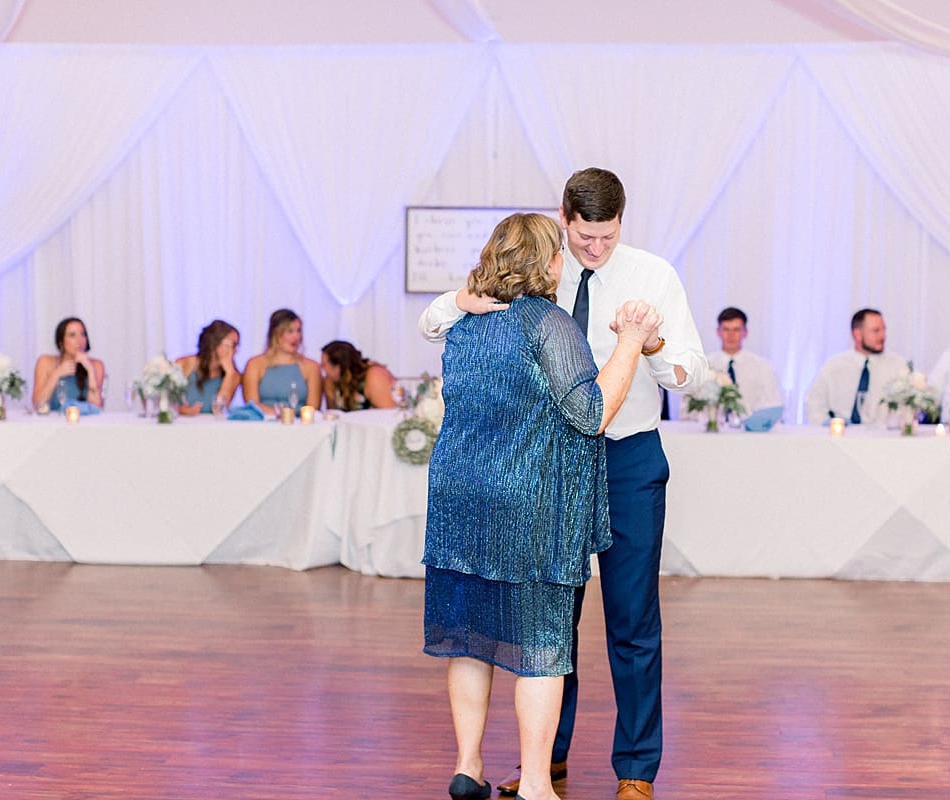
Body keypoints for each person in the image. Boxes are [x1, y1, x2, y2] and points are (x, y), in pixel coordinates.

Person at [420, 168, 708, 800]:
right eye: (584, 236)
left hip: (625, 458)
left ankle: (636, 770)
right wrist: (457, 303)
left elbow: (692, 371)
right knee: (551, 621)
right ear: (564, 219)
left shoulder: (653, 274)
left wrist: (651, 343)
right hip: (546, 467)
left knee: (632, 621)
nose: (595, 249)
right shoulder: (535, 266)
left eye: (607, 236)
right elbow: (438, 318)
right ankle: (541, 763)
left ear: (621, 224)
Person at [804, 309, 908, 425]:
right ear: (857, 334)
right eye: (876, 331)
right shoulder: (834, 366)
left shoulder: (898, 365)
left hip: (883, 438)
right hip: (840, 439)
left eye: (884, 329)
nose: (882, 336)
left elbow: (907, 408)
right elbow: (815, 404)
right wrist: (828, 427)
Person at [701, 306, 782, 414]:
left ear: (745, 332)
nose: (731, 335)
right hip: (712, 428)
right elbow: (689, 407)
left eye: (736, 330)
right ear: (718, 332)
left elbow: (773, 404)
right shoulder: (704, 365)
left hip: (751, 428)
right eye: (726, 329)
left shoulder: (762, 367)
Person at [241, 309, 321, 415]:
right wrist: (280, 415)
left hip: (299, 425)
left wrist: (289, 417)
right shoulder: (254, 364)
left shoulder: (311, 366)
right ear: (275, 334)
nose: (296, 337)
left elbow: (312, 407)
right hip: (263, 425)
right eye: (290, 331)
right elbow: (252, 404)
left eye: (298, 331)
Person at [32, 317, 106, 412]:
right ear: (61, 342)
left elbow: (96, 407)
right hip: (52, 422)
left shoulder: (96, 365)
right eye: (72, 335)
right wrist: (56, 374)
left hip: (85, 423)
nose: (79, 340)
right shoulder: (45, 362)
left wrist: (90, 371)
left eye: (83, 334)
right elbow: (38, 404)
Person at [175, 320, 242, 415]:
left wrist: (229, 374)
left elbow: (219, 410)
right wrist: (181, 410)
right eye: (233, 345)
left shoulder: (234, 375)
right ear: (215, 343)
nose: (236, 351)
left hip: (212, 427)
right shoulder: (185, 363)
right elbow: (167, 401)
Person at [319, 340, 395, 410]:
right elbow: (333, 414)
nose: (321, 368)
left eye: (324, 365)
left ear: (338, 367)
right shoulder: (332, 382)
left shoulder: (374, 376)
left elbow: (390, 413)